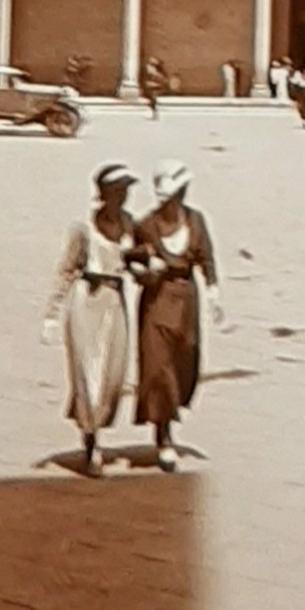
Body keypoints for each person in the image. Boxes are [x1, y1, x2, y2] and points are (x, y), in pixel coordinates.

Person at [44, 163, 138, 477]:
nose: (123, 197)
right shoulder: (83, 229)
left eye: (125, 191)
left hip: (115, 303)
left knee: (113, 374)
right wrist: (52, 314)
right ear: (105, 194)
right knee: (89, 373)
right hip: (86, 302)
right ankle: (91, 440)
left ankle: (95, 426)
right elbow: (66, 270)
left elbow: (135, 260)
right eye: (118, 191)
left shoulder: (129, 224)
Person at [130, 160, 220, 472]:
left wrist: (213, 290)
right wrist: (145, 271)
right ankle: (163, 434)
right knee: (159, 367)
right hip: (156, 300)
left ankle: (170, 415)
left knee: (185, 360)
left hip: (187, 301)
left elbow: (207, 258)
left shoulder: (195, 220)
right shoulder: (146, 225)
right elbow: (131, 262)